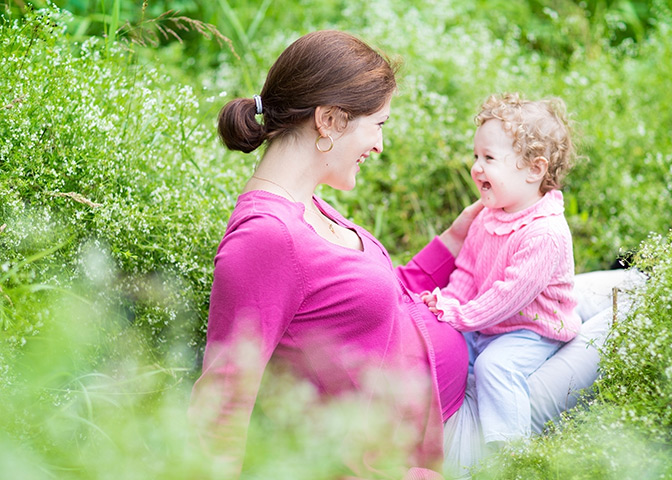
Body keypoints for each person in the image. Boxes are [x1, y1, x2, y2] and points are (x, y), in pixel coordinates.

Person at [187, 29, 644, 480]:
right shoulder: (264, 239)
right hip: (464, 420)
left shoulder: (307, 205)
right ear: (329, 120)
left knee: (627, 285)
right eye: (378, 125)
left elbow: (379, 303)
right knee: (642, 305)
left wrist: (452, 239)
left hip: (475, 341)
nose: (379, 145)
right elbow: (223, 406)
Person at [421, 92, 579, 455]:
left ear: (534, 169)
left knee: (495, 366)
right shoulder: (488, 217)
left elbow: (507, 297)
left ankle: (510, 454)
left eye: (489, 158)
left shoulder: (545, 233)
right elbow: (467, 271)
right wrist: (448, 301)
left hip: (533, 329)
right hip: (490, 323)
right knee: (461, 358)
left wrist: (459, 316)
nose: (476, 167)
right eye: (476, 156)